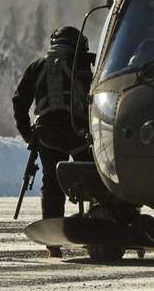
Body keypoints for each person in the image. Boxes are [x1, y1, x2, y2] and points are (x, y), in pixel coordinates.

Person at [11, 26, 94, 258]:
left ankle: (53, 242)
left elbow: (19, 100)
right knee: (93, 180)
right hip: (78, 132)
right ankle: (98, 228)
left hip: (47, 135)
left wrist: (28, 134)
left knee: (51, 185)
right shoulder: (81, 65)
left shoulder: (37, 67)